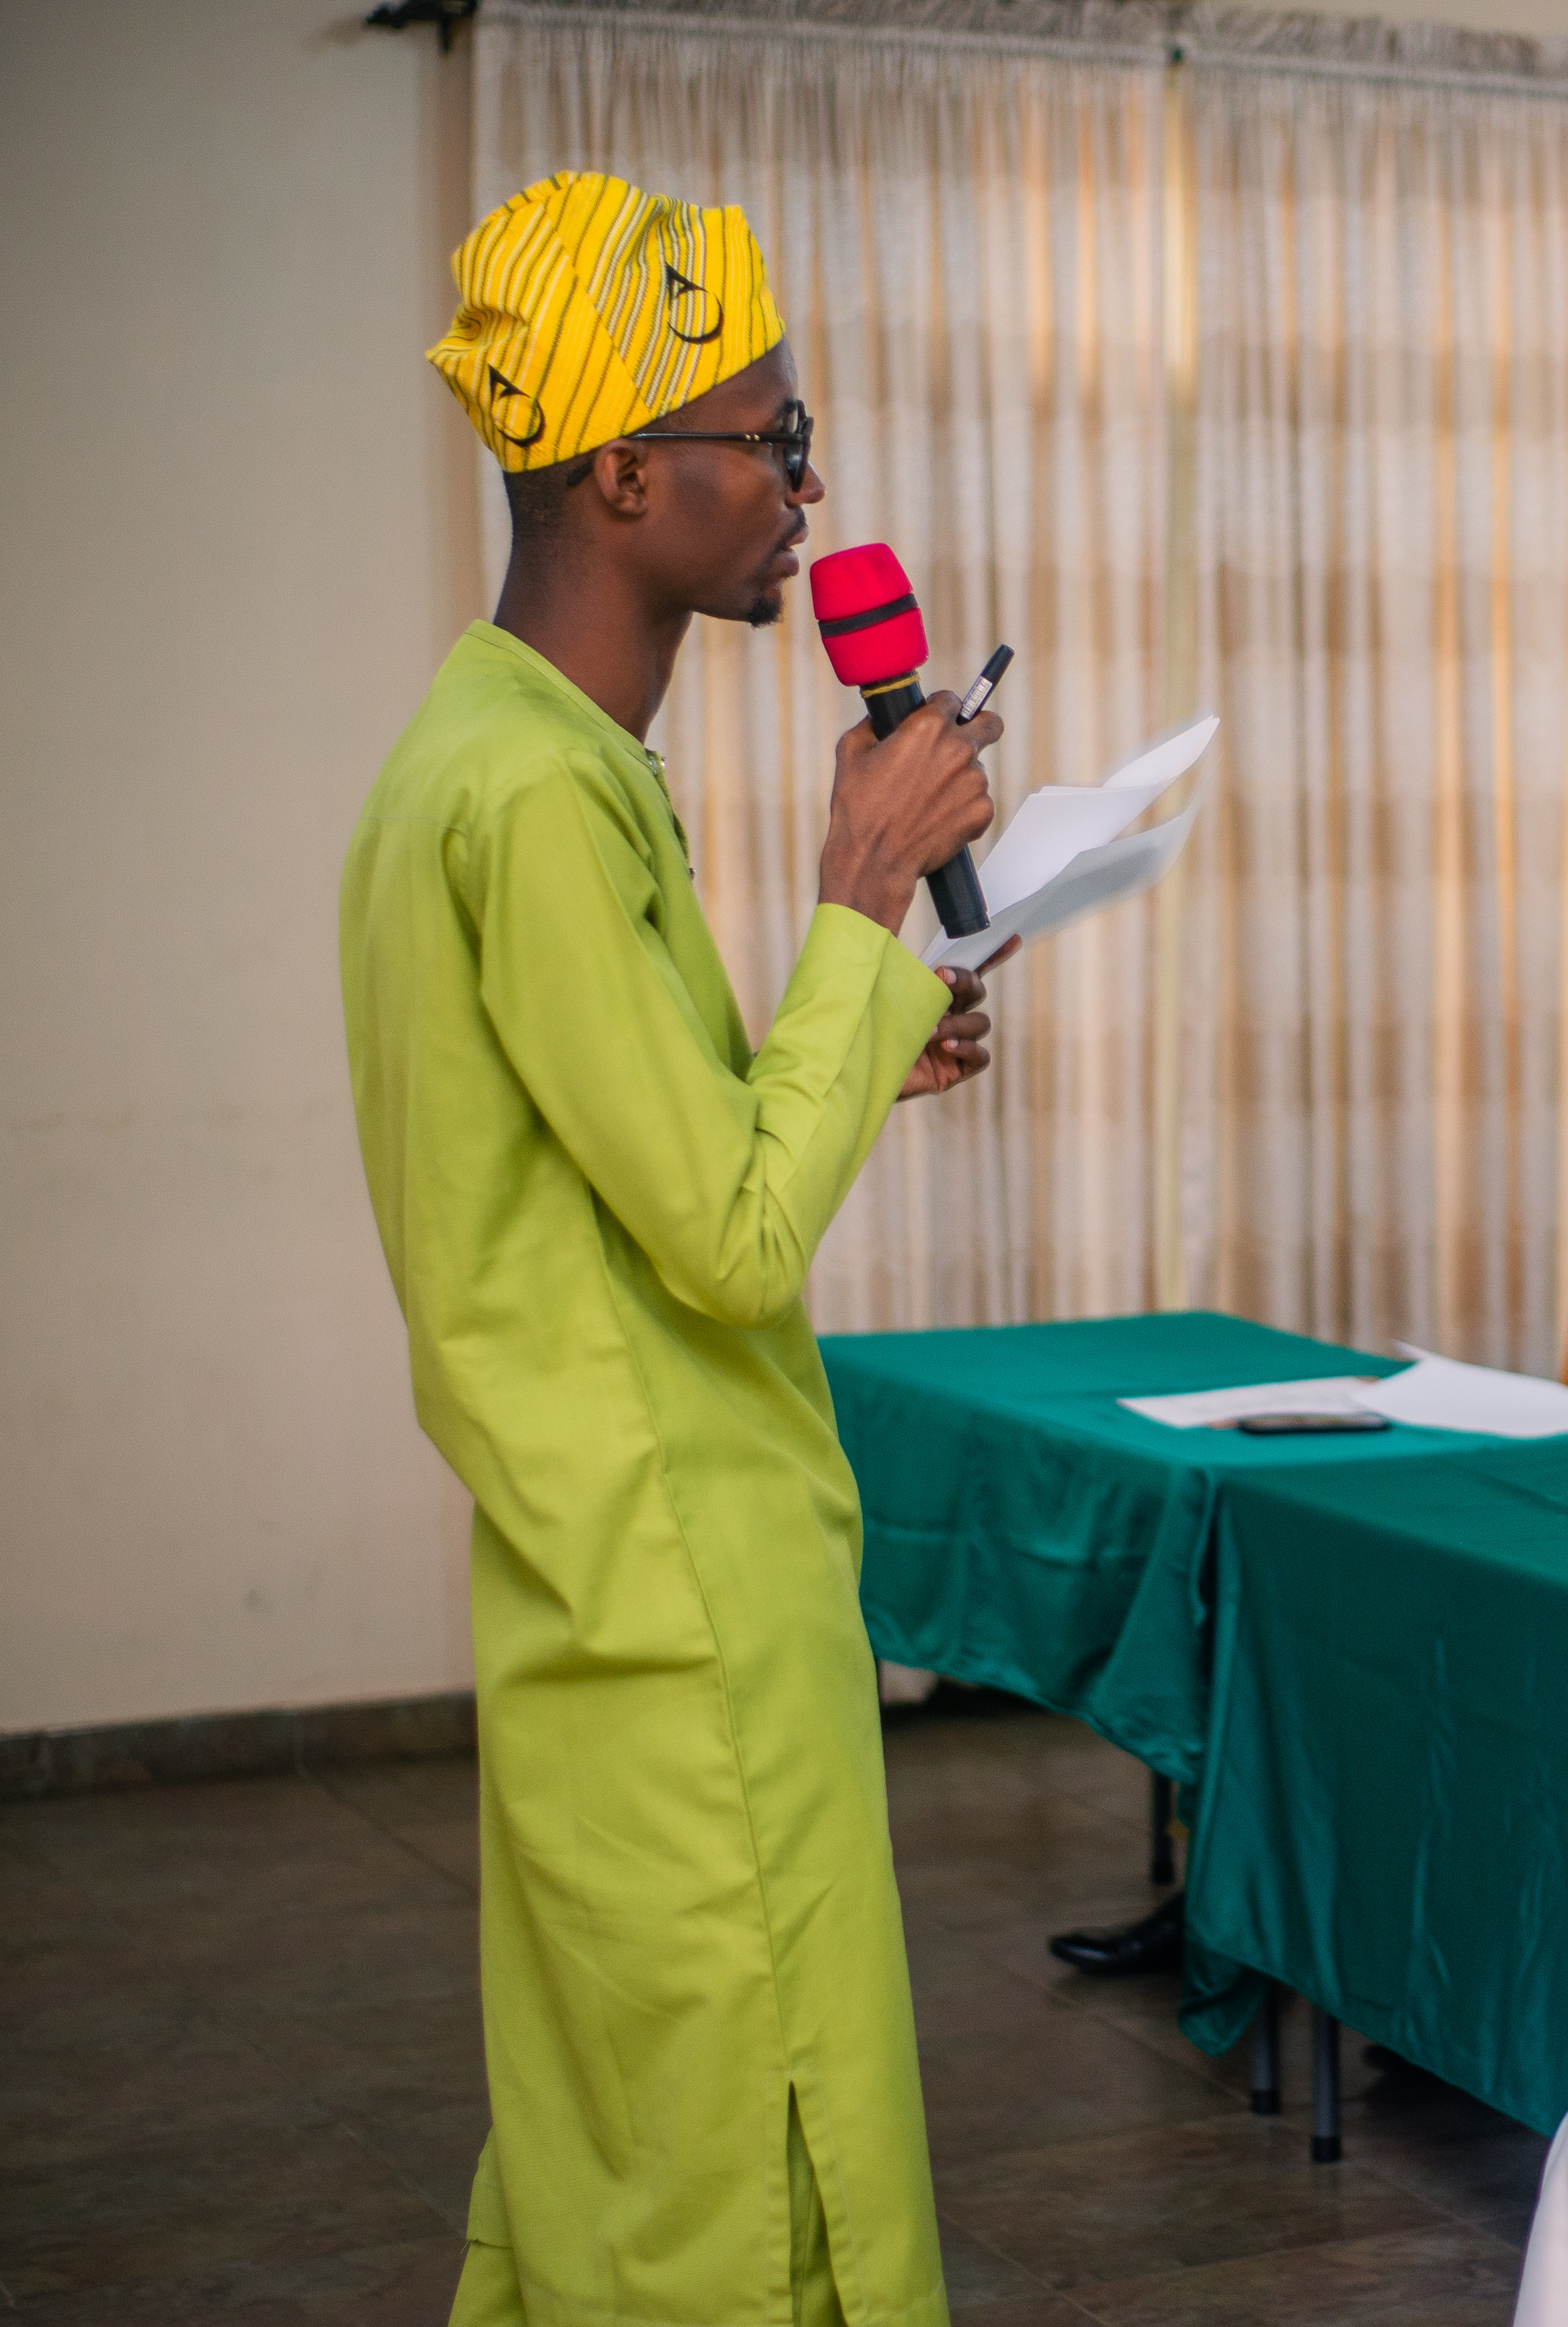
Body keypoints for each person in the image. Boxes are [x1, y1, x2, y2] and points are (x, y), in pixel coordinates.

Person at [343, 174, 1004, 2323]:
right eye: (773, 443)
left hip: (594, 1578)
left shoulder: (512, 752)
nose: (810, 491)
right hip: (682, 1597)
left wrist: (855, 1021)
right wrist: (858, 901)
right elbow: (723, 1241)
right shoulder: (536, 798)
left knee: (615, 2147)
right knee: (746, 2180)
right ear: (627, 473)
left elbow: (615, 1164)